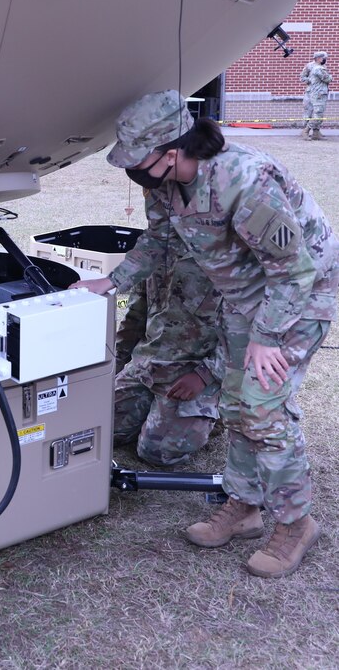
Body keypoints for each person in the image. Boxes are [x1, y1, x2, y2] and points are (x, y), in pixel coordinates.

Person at [72, 90, 339, 579]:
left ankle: (296, 523)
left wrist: (268, 336)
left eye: (138, 159)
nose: (131, 170)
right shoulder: (165, 183)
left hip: (298, 296)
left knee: (262, 408)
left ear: (172, 151)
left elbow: (294, 270)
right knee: (237, 404)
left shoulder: (246, 180)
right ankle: (245, 505)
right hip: (245, 297)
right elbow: (158, 239)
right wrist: (112, 281)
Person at [114, 214, 222, 467]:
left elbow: (248, 336)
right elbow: (135, 314)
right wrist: (116, 362)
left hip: (194, 371)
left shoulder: (226, 255)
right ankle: (156, 413)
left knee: (156, 452)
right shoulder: (156, 246)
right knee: (102, 429)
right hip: (147, 364)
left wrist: (205, 376)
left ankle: (221, 410)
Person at [301, 50, 331, 140]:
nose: (325, 59)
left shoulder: (322, 66)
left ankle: (316, 132)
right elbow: (302, 77)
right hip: (312, 92)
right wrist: (309, 81)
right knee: (309, 111)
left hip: (318, 91)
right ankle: (305, 130)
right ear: (318, 58)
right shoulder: (311, 66)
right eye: (323, 58)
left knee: (318, 112)